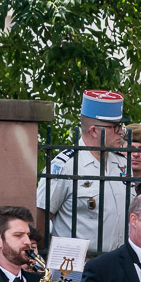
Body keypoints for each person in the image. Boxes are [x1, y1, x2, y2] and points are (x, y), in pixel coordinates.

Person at [37, 90, 132, 253]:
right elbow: (42, 217)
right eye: (115, 127)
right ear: (94, 131)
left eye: (120, 126)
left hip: (118, 263)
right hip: (77, 265)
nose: (121, 132)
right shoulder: (65, 166)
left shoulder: (122, 163)